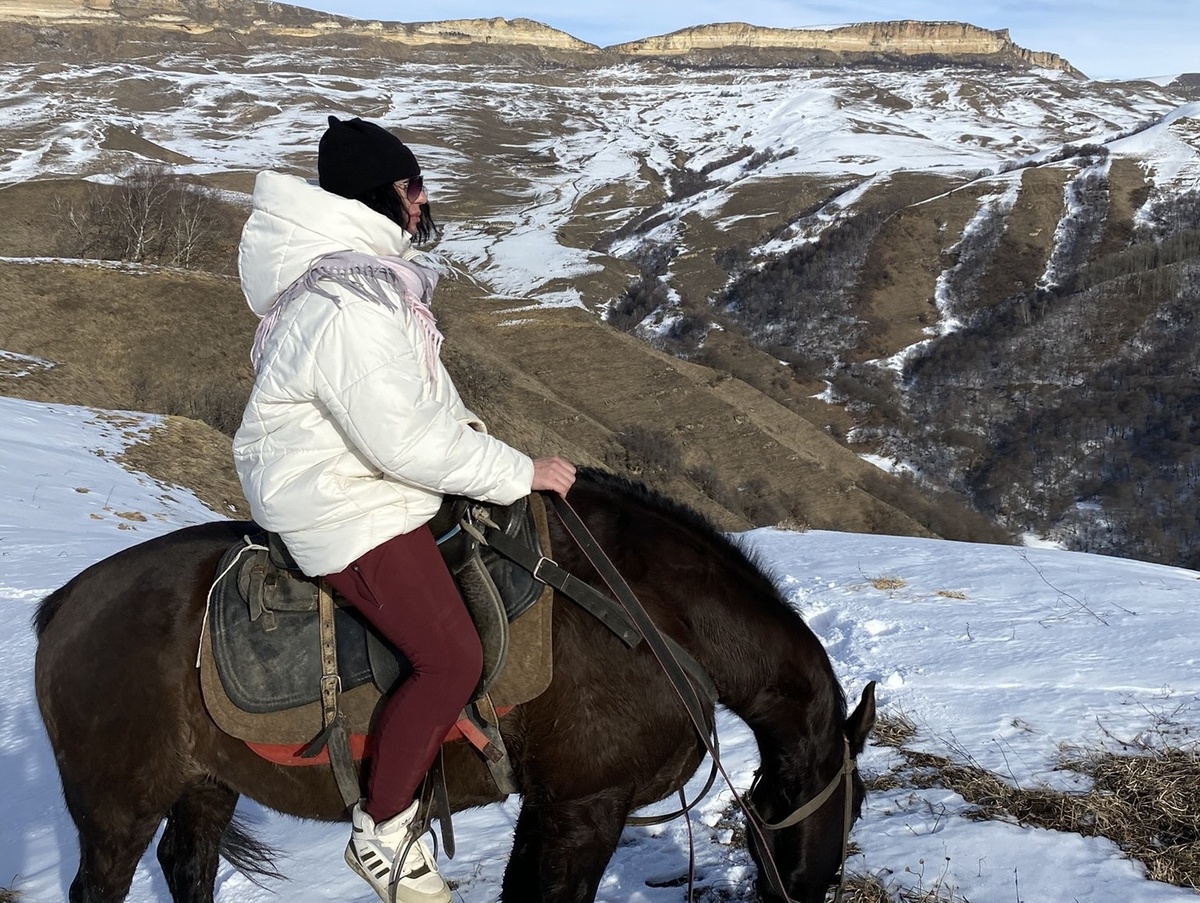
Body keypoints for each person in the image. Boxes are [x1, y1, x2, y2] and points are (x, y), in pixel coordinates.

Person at [232, 115, 576, 903]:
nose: (423, 200)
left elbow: (426, 404)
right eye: (413, 186)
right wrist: (516, 471)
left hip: (365, 479)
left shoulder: (367, 281)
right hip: (342, 503)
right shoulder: (348, 305)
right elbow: (406, 441)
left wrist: (488, 454)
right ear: (380, 193)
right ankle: (383, 832)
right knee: (451, 657)